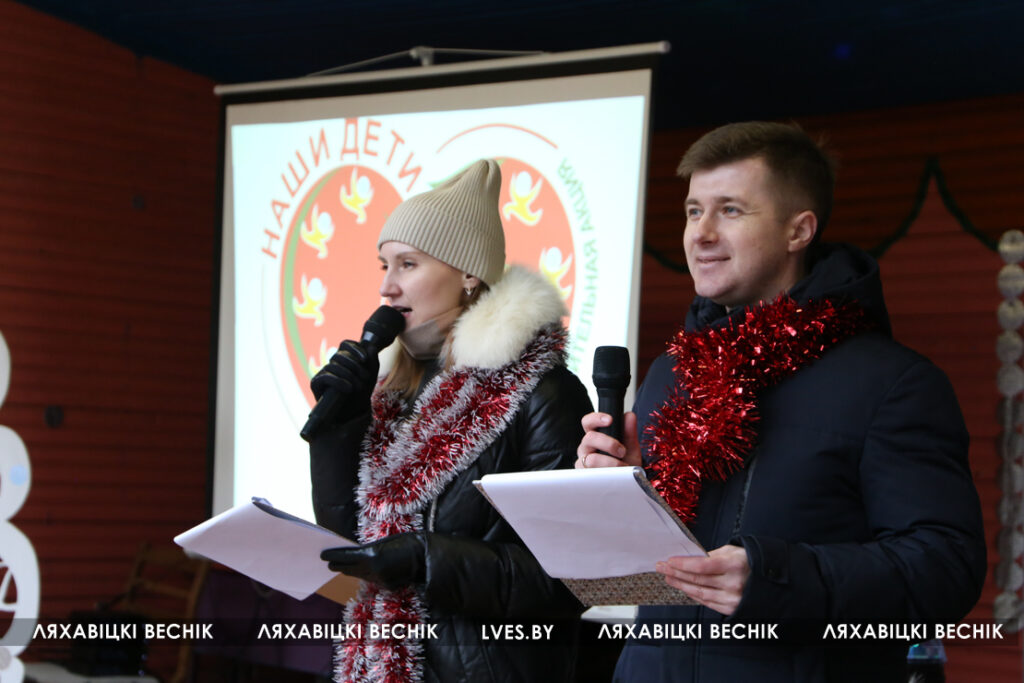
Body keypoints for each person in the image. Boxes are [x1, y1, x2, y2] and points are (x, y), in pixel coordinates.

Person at [576, 122, 986, 682]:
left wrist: (778, 578)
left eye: (731, 210)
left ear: (799, 230)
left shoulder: (894, 383)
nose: (701, 234)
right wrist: (624, 488)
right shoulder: (672, 371)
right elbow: (637, 567)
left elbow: (946, 568)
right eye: (694, 211)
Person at [308, 159, 593, 682]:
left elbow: (568, 577)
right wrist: (337, 433)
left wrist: (425, 558)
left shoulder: (544, 394)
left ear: (467, 274)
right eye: (384, 266)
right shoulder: (392, 395)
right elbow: (351, 544)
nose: (387, 288)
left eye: (408, 265)